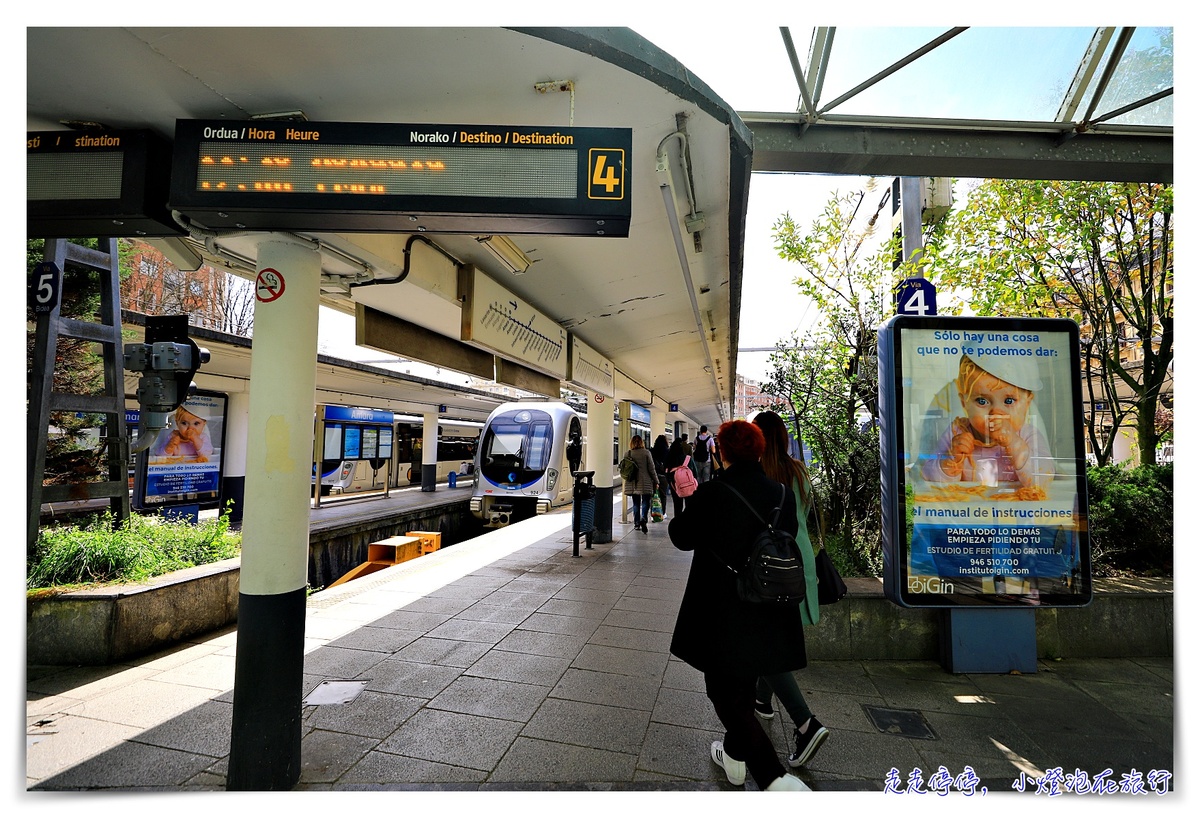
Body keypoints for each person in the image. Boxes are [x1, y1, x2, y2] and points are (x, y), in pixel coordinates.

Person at [667, 419, 810, 792]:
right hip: (769, 606)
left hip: (723, 611)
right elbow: (786, 537)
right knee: (743, 689)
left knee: (722, 693)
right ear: (758, 451)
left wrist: (686, 502)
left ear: (722, 452)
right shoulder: (782, 494)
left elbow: (681, 538)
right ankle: (733, 760)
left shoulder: (714, 493)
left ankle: (776, 780)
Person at [750, 410, 830, 769]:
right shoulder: (798, 471)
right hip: (797, 565)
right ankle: (761, 703)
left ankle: (805, 723)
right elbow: (806, 511)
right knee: (770, 640)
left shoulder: (757, 474)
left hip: (769, 568)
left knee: (764, 648)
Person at [918, 353, 1052, 491]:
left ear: (1027, 403)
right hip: (969, 509)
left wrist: (1015, 443)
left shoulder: (1028, 435)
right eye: (982, 401)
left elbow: (1044, 479)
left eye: (1009, 401)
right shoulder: (956, 432)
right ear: (964, 403)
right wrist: (951, 460)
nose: (996, 413)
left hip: (1017, 510)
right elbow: (927, 475)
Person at [621, 435, 659, 533]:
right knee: (646, 502)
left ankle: (637, 524)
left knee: (636, 503)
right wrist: (656, 481)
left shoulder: (627, 453)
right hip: (645, 481)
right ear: (642, 442)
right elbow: (651, 469)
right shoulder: (646, 453)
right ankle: (644, 519)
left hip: (632, 482)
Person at [665, 435, 690, 516]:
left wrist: (669, 480)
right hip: (687, 483)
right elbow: (695, 472)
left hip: (674, 483)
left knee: (677, 504)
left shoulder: (669, 457)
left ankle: (678, 519)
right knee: (688, 502)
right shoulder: (687, 458)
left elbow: (666, 470)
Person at [651, 434, 671, 520]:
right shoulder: (667, 451)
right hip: (663, 476)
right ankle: (663, 512)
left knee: (654, 495)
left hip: (653, 475)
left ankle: (654, 513)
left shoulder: (652, 451)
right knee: (663, 495)